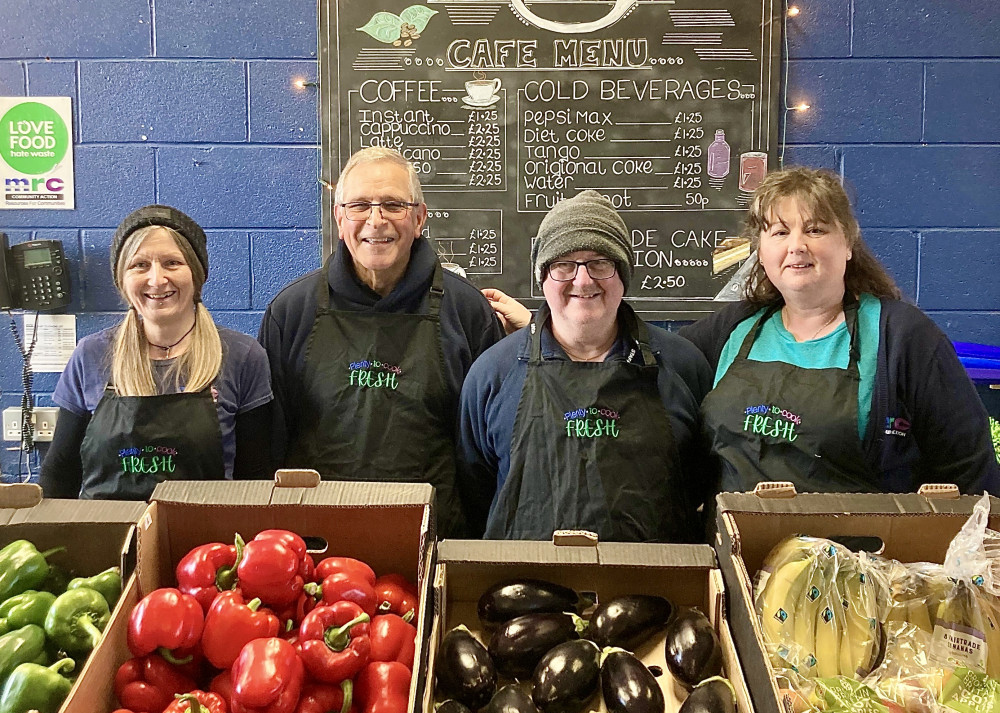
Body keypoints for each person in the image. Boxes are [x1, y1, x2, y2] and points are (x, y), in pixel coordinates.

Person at [679, 166, 1000, 494]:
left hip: (863, 546)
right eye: (779, 232)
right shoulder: (729, 330)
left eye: (815, 230)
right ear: (761, 252)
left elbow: (972, 471)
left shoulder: (903, 338)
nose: (797, 246)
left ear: (847, 243)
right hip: (734, 542)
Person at [259, 147, 504, 536]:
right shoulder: (291, 313)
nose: (376, 221)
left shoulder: (468, 312)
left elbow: (486, 453)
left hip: (435, 540)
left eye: (393, 204)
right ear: (339, 219)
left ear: (419, 218)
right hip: (317, 545)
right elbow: (269, 446)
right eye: (359, 205)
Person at [457, 190, 713, 542]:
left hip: (654, 587)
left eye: (600, 263)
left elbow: (702, 481)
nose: (583, 280)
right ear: (543, 277)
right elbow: (476, 491)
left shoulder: (683, 366)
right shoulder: (492, 374)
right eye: (564, 264)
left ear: (622, 274)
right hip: (523, 586)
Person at [40, 205, 274, 500]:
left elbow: (254, 476)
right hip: (106, 536)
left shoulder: (242, 356)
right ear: (122, 280)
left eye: (172, 263)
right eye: (139, 265)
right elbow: (60, 472)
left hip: (202, 542)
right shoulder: (91, 355)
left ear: (196, 274)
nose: (156, 279)